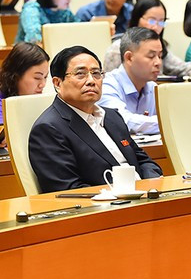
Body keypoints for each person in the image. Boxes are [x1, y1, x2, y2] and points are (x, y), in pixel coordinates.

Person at [29, 46, 162, 192]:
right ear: (57, 83)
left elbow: (143, 161)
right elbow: (68, 189)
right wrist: (124, 194)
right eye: (80, 74)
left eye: (96, 73)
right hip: (109, 202)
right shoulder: (49, 129)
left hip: (145, 195)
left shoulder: (112, 117)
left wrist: (151, 185)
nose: (91, 81)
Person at [104, 0, 191, 77]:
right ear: (137, 19)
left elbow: (181, 67)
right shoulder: (116, 49)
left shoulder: (159, 47)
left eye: (161, 22)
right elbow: (108, 82)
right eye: (152, 21)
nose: (156, 27)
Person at [99, 27, 161, 135]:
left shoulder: (153, 87)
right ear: (129, 58)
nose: (158, 62)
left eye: (160, 56)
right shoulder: (106, 86)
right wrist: (169, 122)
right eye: (151, 56)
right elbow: (123, 121)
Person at [0, 42, 50, 133]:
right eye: (37, 78)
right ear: (16, 76)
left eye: (45, 77)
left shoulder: (38, 103)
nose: (43, 84)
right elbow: (5, 136)